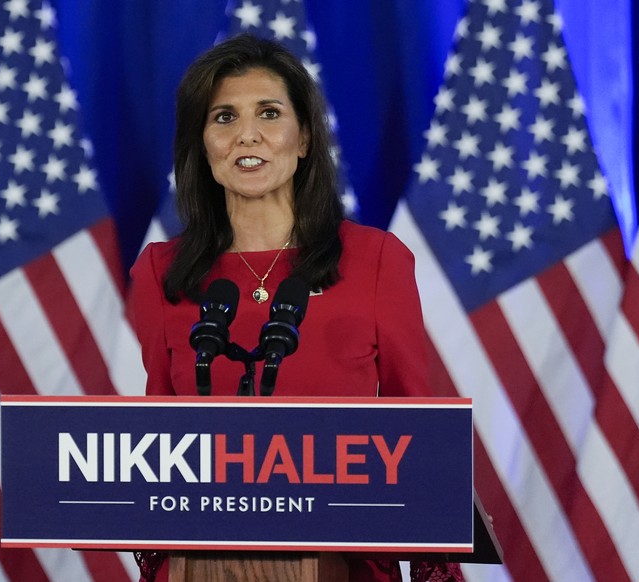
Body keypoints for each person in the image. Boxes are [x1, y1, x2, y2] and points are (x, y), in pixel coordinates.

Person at [128, 33, 463, 582]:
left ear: (304, 137)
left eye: (269, 112)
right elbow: (161, 441)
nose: (247, 134)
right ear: (202, 143)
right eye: (223, 118)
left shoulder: (376, 260)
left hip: (344, 564)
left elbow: (414, 430)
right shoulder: (161, 272)